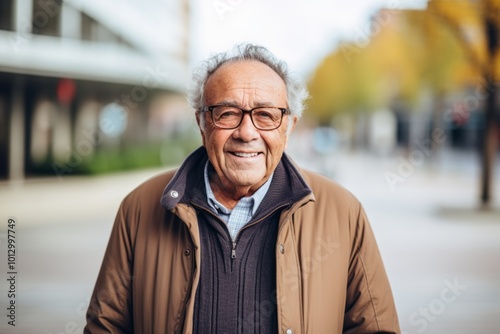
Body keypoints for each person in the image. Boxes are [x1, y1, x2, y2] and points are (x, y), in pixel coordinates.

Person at [84, 44, 400, 333]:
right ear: (202, 123)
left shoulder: (342, 212)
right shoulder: (140, 207)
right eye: (227, 114)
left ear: (290, 126)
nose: (246, 132)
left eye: (265, 115)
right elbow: (105, 326)